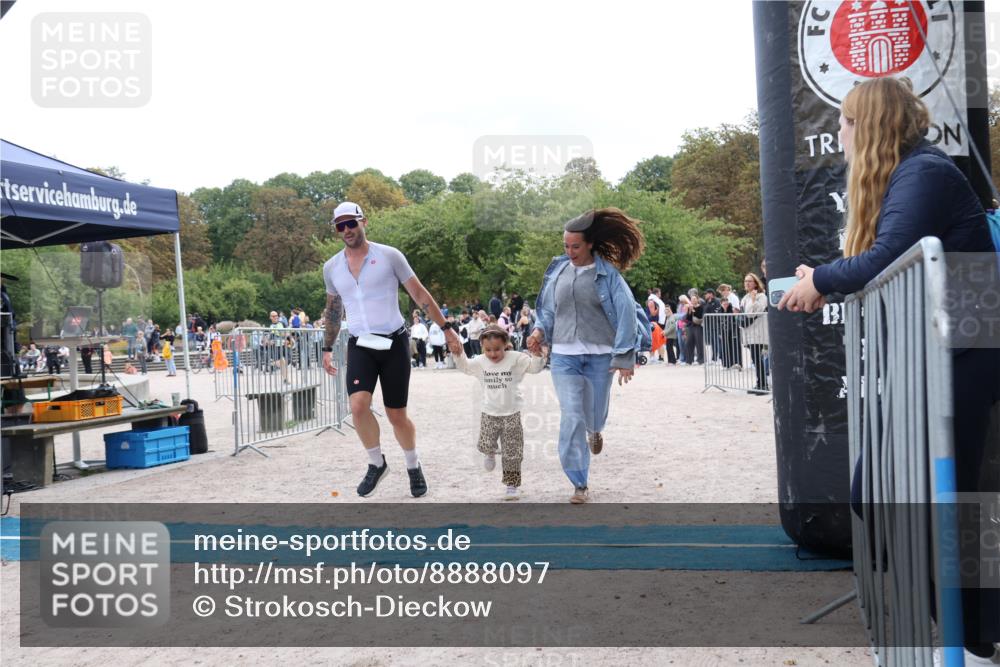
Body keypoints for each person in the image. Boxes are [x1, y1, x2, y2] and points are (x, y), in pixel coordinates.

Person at [777, 77, 999, 660]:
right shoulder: (917, 172)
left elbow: (889, 255)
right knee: (886, 495)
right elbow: (886, 259)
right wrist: (822, 279)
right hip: (944, 356)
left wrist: (822, 280)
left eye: (846, 122)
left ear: (870, 125)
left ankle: (971, 641)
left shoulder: (922, 172)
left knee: (934, 503)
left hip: (963, 357)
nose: (839, 134)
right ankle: (963, 636)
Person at [322, 201, 460, 498]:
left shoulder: (389, 256)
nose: (346, 229)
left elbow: (419, 293)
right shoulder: (331, 267)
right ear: (336, 230)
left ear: (364, 222)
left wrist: (447, 328)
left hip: (394, 342)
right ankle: (377, 463)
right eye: (340, 226)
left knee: (396, 414)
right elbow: (333, 310)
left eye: (351, 223)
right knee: (357, 406)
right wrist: (327, 346)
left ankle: (413, 465)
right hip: (360, 343)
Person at [526, 208, 649, 504]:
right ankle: (579, 483)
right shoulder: (557, 270)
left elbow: (626, 313)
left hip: (600, 356)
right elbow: (548, 310)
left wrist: (624, 358)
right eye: (566, 246)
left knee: (594, 415)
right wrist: (539, 332)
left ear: (590, 243)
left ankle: (596, 431)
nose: (570, 252)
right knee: (571, 415)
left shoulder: (608, 274)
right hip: (565, 356)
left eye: (576, 246)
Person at [449, 324, 545, 500]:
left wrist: (537, 355)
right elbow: (465, 366)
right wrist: (458, 353)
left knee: (513, 451)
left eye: (497, 350)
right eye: (488, 350)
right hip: (489, 412)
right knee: (485, 443)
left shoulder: (515, 359)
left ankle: (512, 485)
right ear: (482, 348)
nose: (493, 354)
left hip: (512, 413)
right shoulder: (480, 361)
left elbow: (534, 368)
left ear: (506, 345)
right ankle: (490, 452)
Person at [740, 273, 768, 392]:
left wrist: (753, 300)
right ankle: (759, 383)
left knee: (757, 358)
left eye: (750, 281)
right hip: (748, 331)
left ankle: (763, 385)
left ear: (755, 283)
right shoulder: (745, 297)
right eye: (746, 281)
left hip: (757, 331)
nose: (747, 283)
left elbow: (754, 313)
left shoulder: (761, 296)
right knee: (755, 358)